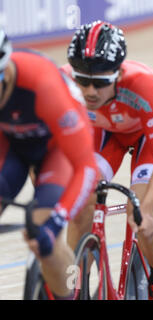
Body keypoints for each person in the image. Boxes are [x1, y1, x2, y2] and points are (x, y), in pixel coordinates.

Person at [62, 21, 153, 300]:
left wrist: (145, 211)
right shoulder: (62, 82)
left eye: (99, 83)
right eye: (82, 80)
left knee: (138, 213)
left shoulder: (141, 85)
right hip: (106, 132)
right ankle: (75, 287)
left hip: (148, 137)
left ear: (119, 73)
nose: (89, 91)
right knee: (80, 207)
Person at [0, 29, 98, 299]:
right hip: (9, 145)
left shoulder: (42, 84)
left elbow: (86, 167)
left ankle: (70, 295)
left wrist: (57, 221)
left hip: (58, 151)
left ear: (4, 71)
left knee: (45, 240)